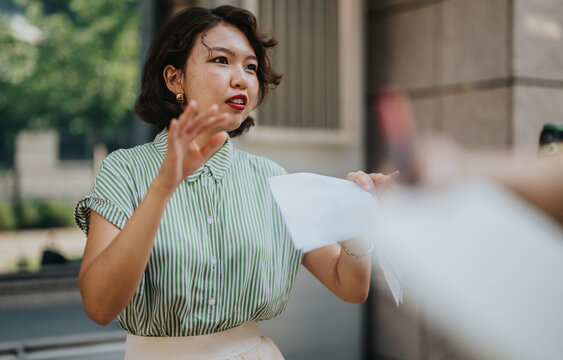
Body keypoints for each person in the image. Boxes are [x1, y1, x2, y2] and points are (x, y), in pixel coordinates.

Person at [74, 5, 394, 359]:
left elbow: (348, 285)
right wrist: (163, 186)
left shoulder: (272, 179)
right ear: (174, 79)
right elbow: (99, 307)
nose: (241, 78)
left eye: (251, 67)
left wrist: (356, 218)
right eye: (221, 60)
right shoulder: (124, 171)